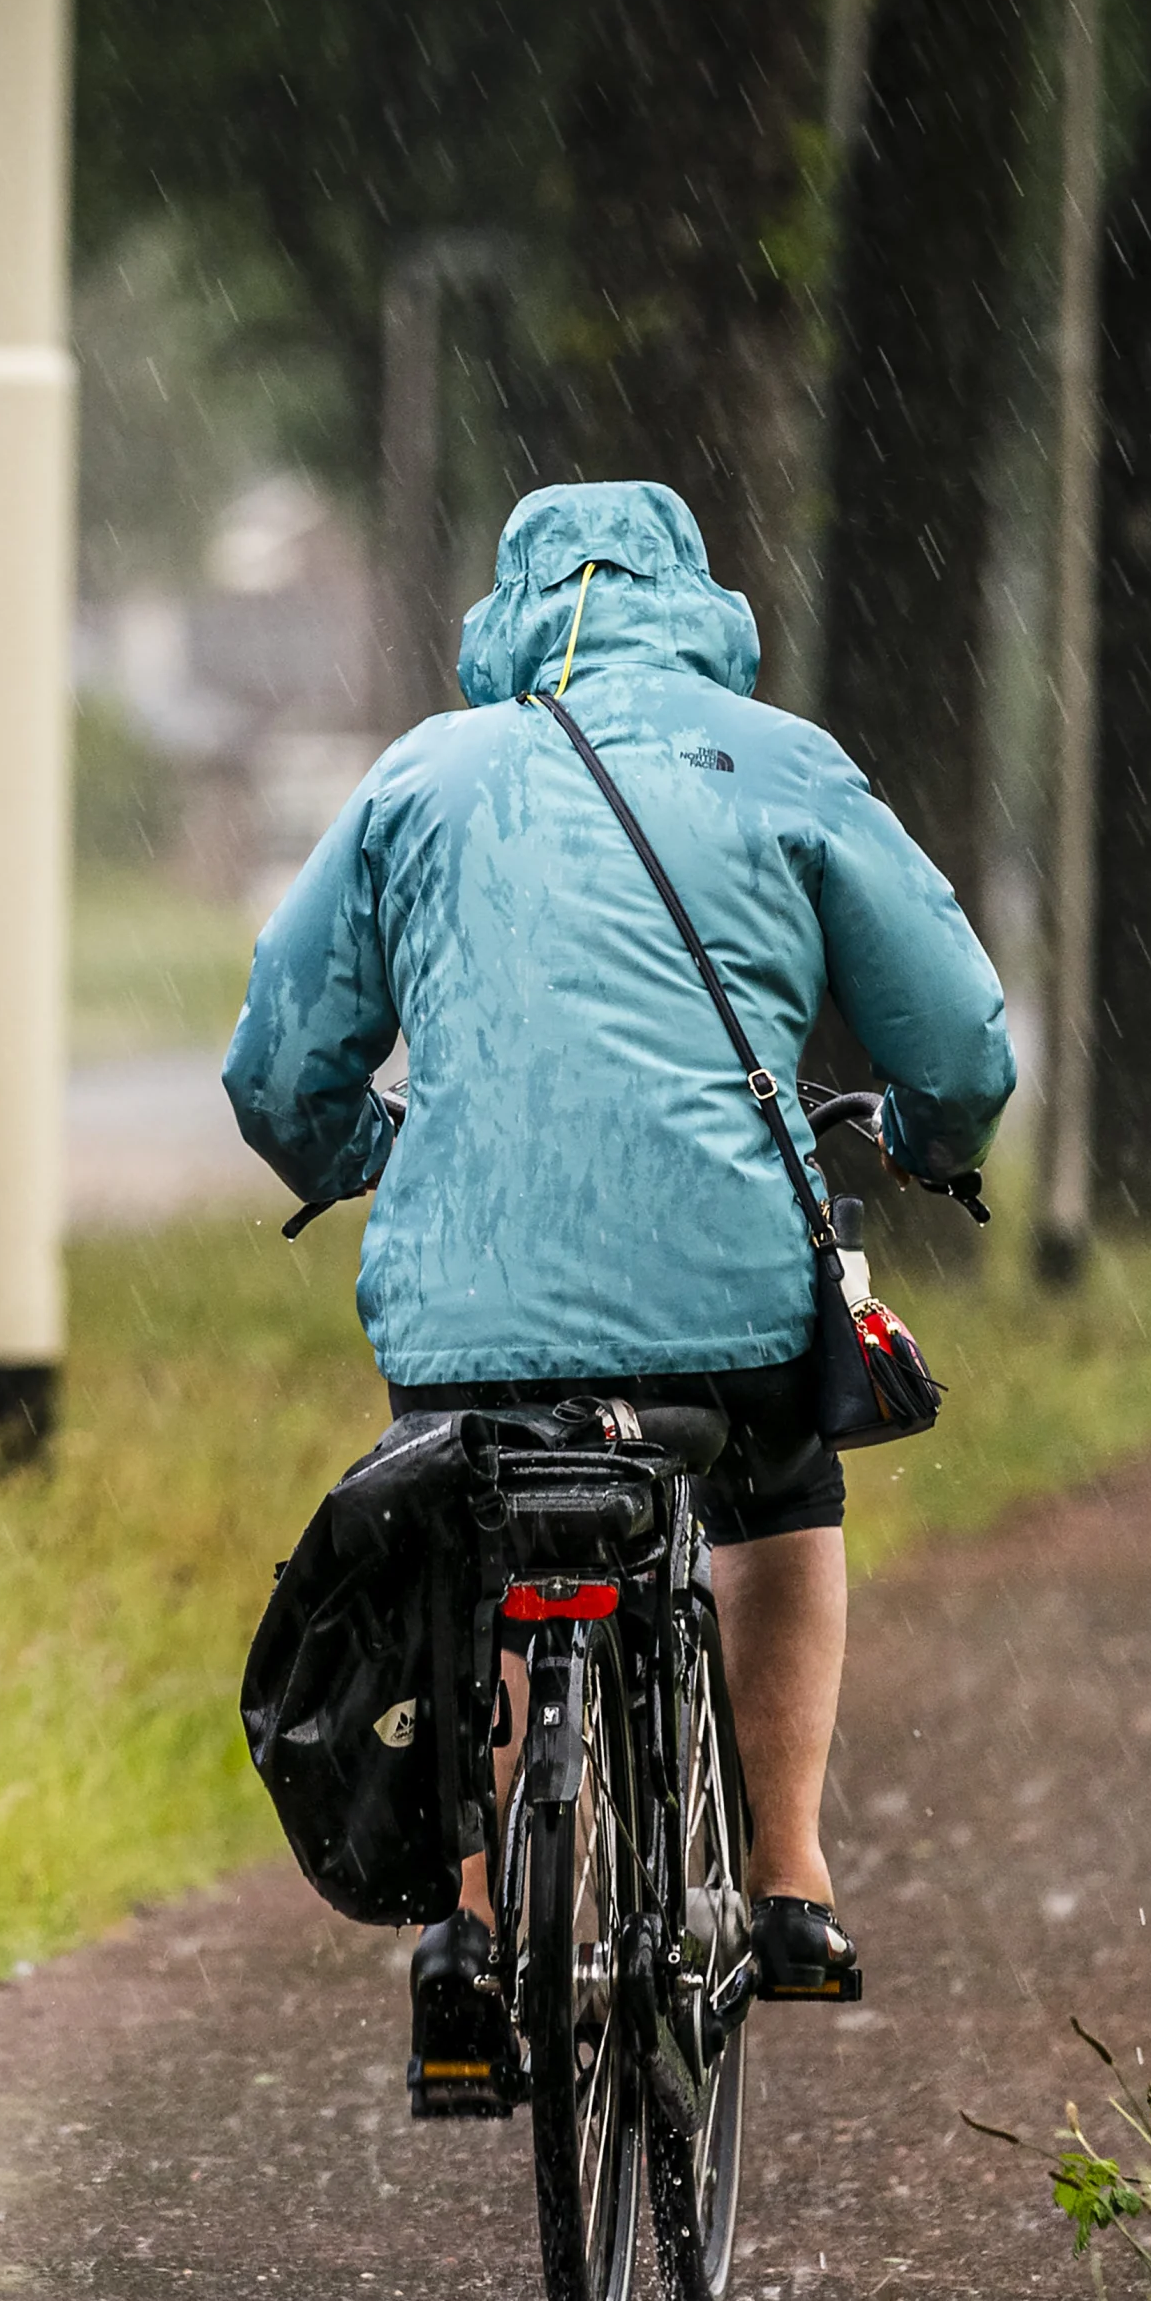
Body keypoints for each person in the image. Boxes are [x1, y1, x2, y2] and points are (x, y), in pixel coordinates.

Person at [223, 479, 1014, 2069]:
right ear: (704, 609)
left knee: (474, 1516)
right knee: (780, 1487)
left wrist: (365, 1160)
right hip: (726, 1300)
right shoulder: (787, 764)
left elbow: (279, 1067)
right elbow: (961, 1033)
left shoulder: (424, 779)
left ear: (505, 621)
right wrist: (929, 1138)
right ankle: (787, 1882)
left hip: (470, 1311)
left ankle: (472, 1924)